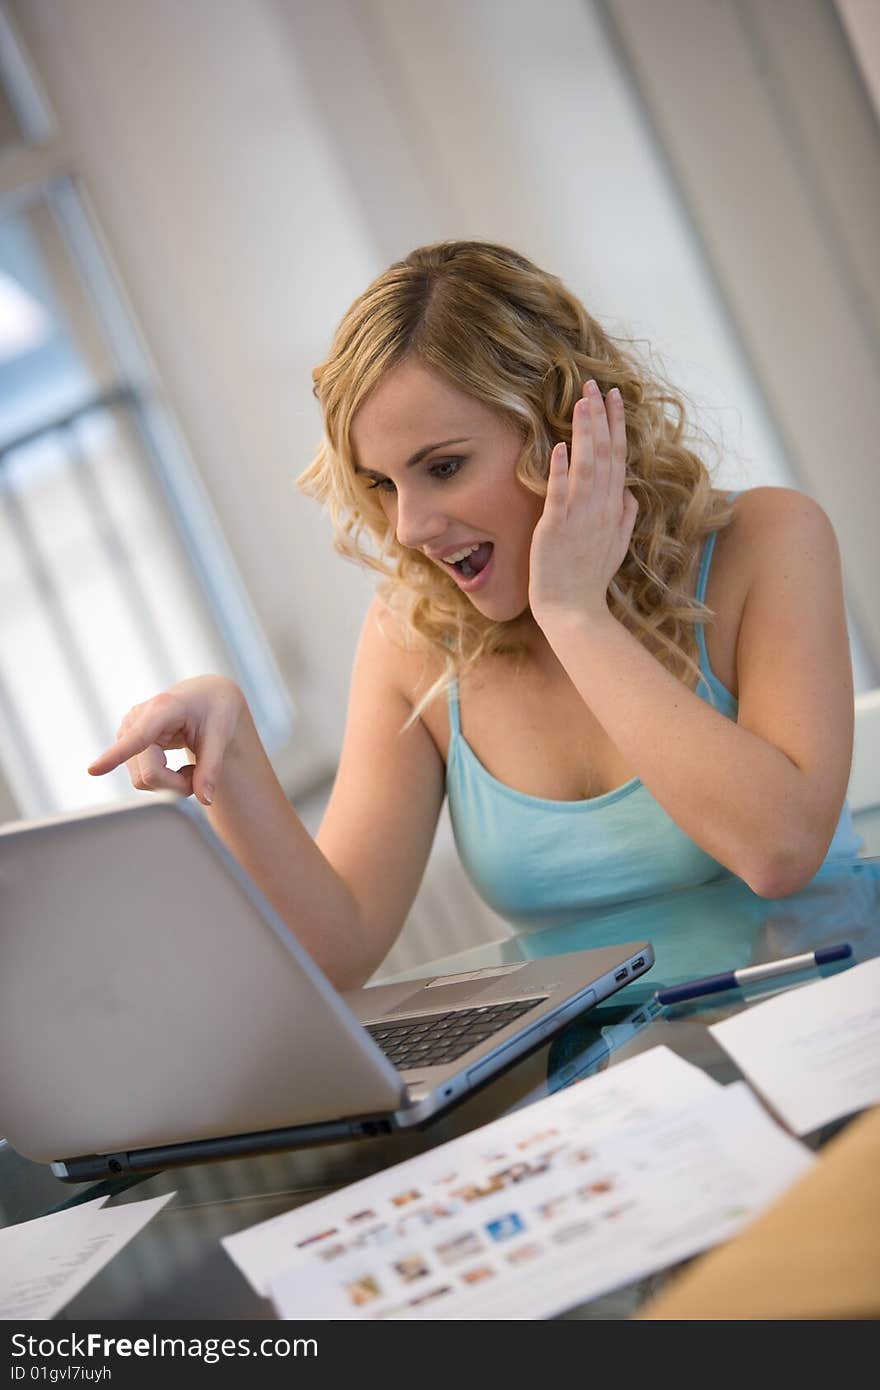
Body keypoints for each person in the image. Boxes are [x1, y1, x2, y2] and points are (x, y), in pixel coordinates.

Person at [87, 241, 862, 988]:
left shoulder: (768, 540)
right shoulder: (413, 640)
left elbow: (779, 852)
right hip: (611, 1089)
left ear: (561, 425)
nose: (409, 528)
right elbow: (337, 949)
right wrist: (231, 745)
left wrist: (575, 614)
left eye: (444, 467)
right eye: (384, 484)